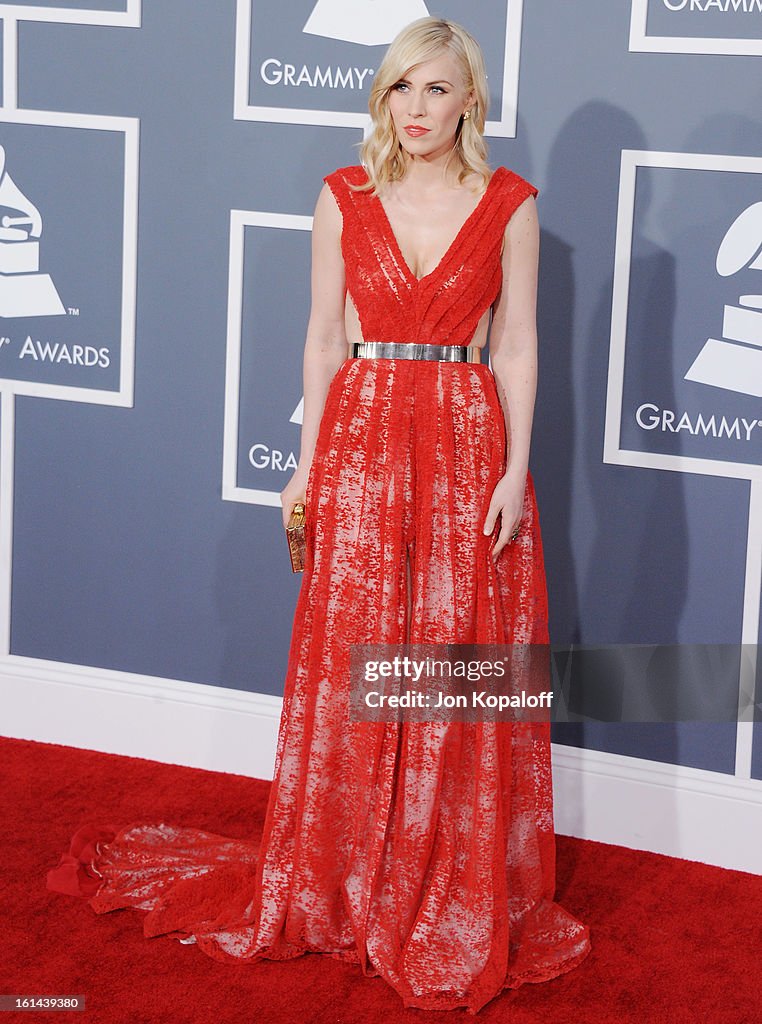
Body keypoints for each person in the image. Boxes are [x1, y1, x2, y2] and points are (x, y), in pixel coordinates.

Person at [45, 16, 592, 1015]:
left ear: (471, 98)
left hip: (470, 446)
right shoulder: (343, 197)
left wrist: (517, 468)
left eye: (436, 90)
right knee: (358, 654)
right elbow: (324, 340)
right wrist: (306, 469)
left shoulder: (511, 204)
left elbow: (516, 346)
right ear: (382, 98)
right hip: (366, 441)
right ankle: (343, 877)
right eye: (400, 90)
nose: (416, 111)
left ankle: (436, 877)